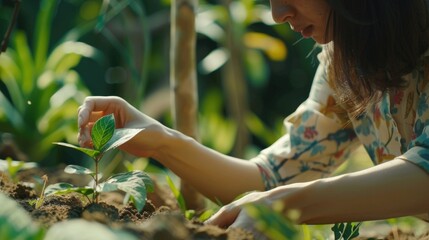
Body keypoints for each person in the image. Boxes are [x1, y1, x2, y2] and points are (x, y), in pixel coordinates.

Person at [77, 0, 429, 235]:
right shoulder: (347, 60)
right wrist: (163, 142)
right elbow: (269, 181)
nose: (278, 12)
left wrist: (291, 203)